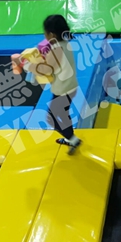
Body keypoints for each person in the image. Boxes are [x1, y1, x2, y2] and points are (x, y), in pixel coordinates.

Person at [35, 14, 82, 154]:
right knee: (64, 113)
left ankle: (73, 139)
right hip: (71, 87)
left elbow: (46, 70)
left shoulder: (55, 50)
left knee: (51, 118)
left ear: (52, 34)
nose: (44, 35)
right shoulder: (66, 44)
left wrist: (29, 65)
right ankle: (70, 139)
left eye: (45, 33)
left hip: (62, 91)